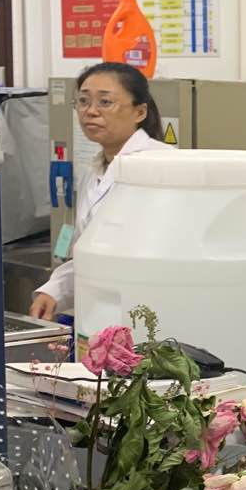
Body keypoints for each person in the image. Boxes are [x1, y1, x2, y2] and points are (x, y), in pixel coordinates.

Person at [30, 63, 168, 321]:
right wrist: (53, 291)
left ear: (140, 112)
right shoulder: (94, 170)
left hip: (148, 309)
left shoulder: (162, 164)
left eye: (105, 102)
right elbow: (89, 250)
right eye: (83, 101)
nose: (90, 111)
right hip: (101, 307)